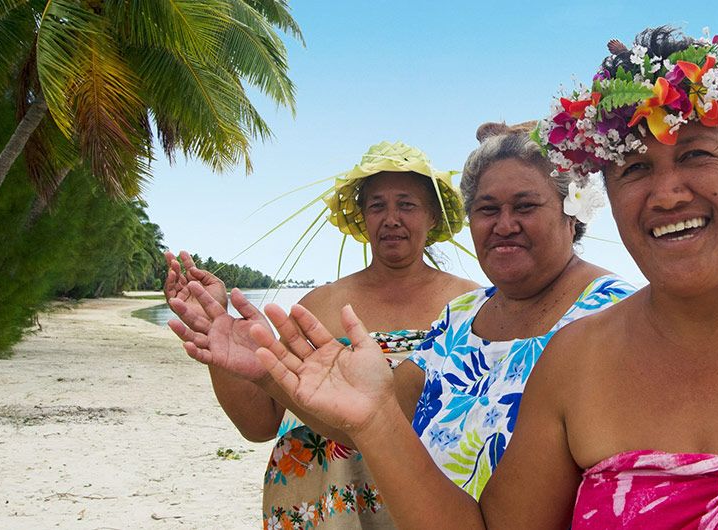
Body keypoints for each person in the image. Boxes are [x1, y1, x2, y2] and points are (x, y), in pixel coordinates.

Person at [255, 27, 718, 529]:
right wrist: (377, 422)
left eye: (696, 154)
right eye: (634, 167)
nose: (666, 193)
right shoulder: (578, 361)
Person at [247, 122, 635, 497]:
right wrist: (265, 374)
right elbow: (382, 422)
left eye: (525, 205)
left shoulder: (616, 315)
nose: (504, 225)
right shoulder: (461, 316)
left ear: (572, 212)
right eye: (487, 209)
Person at [164, 141, 479, 529]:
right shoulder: (319, 305)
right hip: (324, 507)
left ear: (432, 216)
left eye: (407, 204)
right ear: (363, 216)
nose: (391, 218)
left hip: (434, 505)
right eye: (377, 205)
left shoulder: (470, 304)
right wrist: (217, 337)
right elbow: (259, 424)